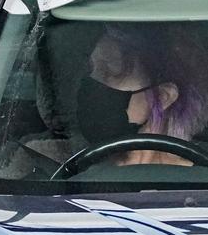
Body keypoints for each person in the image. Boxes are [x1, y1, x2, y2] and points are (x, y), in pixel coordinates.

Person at [76, 23, 208, 165]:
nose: (93, 81)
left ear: (163, 96)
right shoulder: (61, 165)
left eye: (109, 73)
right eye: (91, 69)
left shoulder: (199, 178)